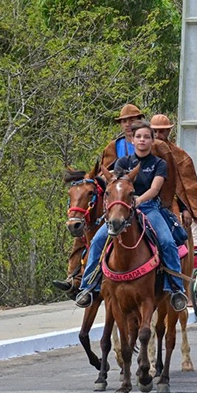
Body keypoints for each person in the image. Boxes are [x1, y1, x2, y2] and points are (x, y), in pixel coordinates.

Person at [75, 120, 188, 311]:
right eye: (138, 137)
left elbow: (154, 189)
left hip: (150, 208)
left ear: (152, 141)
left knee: (168, 241)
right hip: (123, 209)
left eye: (146, 137)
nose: (142, 140)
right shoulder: (123, 162)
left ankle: (176, 289)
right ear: (132, 140)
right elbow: (115, 184)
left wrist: (139, 201)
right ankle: (88, 287)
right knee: (97, 240)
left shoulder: (159, 164)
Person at [53, 103, 145, 294]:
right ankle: (77, 278)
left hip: (143, 198)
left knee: (168, 236)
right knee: (86, 227)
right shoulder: (114, 146)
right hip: (115, 199)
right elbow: (102, 174)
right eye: (124, 121)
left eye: (132, 120)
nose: (128, 124)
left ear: (140, 121)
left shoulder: (148, 143)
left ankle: (172, 282)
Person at [150, 114, 197, 225]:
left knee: (178, 232)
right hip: (143, 199)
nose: (158, 135)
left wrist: (185, 208)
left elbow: (187, 185)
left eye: (162, 131)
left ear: (169, 131)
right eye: (154, 131)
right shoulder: (143, 151)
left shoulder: (179, 155)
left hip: (169, 202)